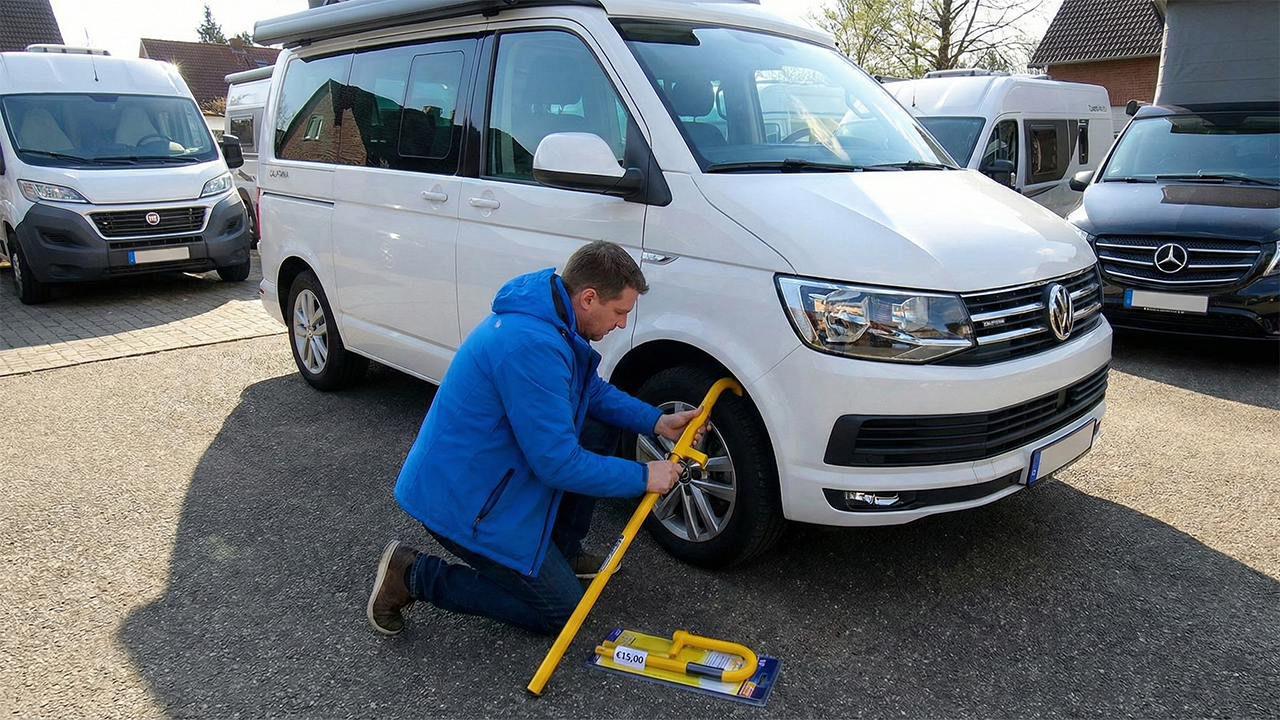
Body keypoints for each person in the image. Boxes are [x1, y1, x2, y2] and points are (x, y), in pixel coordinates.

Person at [366, 241, 704, 636]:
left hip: (488, 475)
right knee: (560, 612)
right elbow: (557, 464)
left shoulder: (552, 321)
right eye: (619, 312)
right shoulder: (533, 345)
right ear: (589, 298)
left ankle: (561, 553)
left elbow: (589, 392)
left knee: (599, 425)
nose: (622, 324)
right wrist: (646, 476)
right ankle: (411, 575)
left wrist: (657, 422)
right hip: (465, 501)